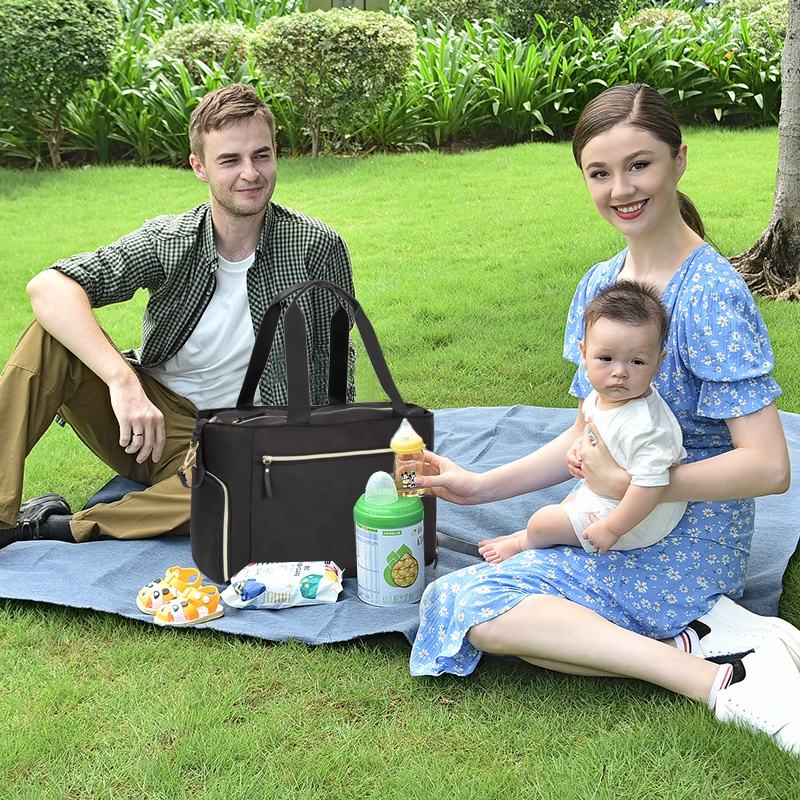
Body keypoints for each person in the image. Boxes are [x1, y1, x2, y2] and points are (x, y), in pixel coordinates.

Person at [410, 84, 800, 754]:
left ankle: (716, 681)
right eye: (600, 172)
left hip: (689, 544)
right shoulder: (599, 286)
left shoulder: (708, 294)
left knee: (468, 606)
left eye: (639, 165)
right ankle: (700, 641)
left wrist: (637, 484)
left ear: (679, 160)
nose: (621, 189)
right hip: (608, 520)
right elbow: (583, 434)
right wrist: (477, 486)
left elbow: (769, 467)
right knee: (474, 607)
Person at [0, 83, 355, 548]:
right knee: (50, 339)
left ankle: (56, 527)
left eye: (261, 156)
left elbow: (336, 369)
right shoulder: (170, 240)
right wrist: (122, 382)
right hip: (151, 427)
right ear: (199, 167)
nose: (250, 173)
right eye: (229, 160)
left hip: (249, 444)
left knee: (248, 490)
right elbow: (48, 287)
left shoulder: (316, 247)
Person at [479, 280, 687, 562]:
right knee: (565, 507)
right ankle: (529, 534)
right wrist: (578, 450)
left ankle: (523, 542)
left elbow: (652, 485)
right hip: (609, 495)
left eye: (637, 362)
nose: (620, 372)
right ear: (584, 354)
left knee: (543, 521)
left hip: (638, 518)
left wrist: (612, 528)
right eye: (606, 358)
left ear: (658, 362)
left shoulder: (646, 427)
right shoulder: (599, 397)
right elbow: (592, 431)